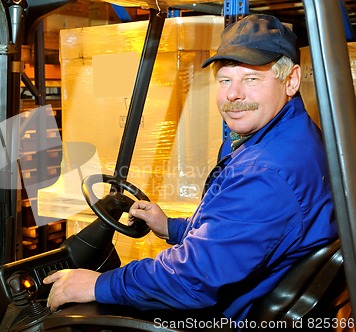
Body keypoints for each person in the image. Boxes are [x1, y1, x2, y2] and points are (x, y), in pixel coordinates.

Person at [43, 14, 338, 322]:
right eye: (225, 80)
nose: (233, 95)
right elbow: (236, 233)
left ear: (290, 80)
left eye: (251, 79)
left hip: (220, 318)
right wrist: (171, 227)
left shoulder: (267, 172)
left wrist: (99, 284)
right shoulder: (288, 136)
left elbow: (191, 278)